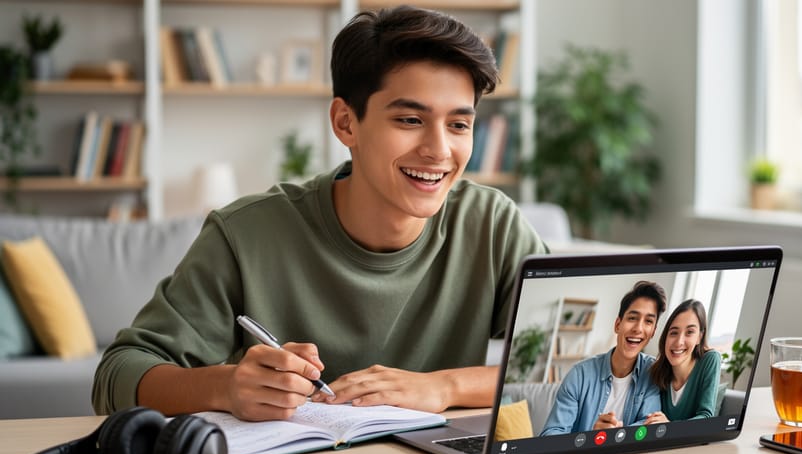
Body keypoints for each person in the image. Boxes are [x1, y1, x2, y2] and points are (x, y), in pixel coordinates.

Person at [92, 5, 547, 421]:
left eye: (459, 125)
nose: (439, 150)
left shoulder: (492, 225)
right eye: (410, 120)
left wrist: (443, 386)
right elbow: (117, 375)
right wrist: (225, 386)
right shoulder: (246, 234)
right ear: (346, 123)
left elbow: (581, 362)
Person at [540, 281, 667, 436]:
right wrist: (592, 437)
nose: (638, 329)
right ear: (618, 325)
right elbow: (550, 434)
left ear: (653, 332)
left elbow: (649, 427)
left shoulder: (652, 372)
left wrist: (615, 436)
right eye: (633, 318)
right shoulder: (579, 375)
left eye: (648, 321)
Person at [645, 299, 721, 422]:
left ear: (699, 338)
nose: (679, 342)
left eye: (689, 332)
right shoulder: (657, 370)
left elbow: (706, 417)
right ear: (666, 337)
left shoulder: (710, 359)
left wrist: (669, 427)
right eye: (674, 333)